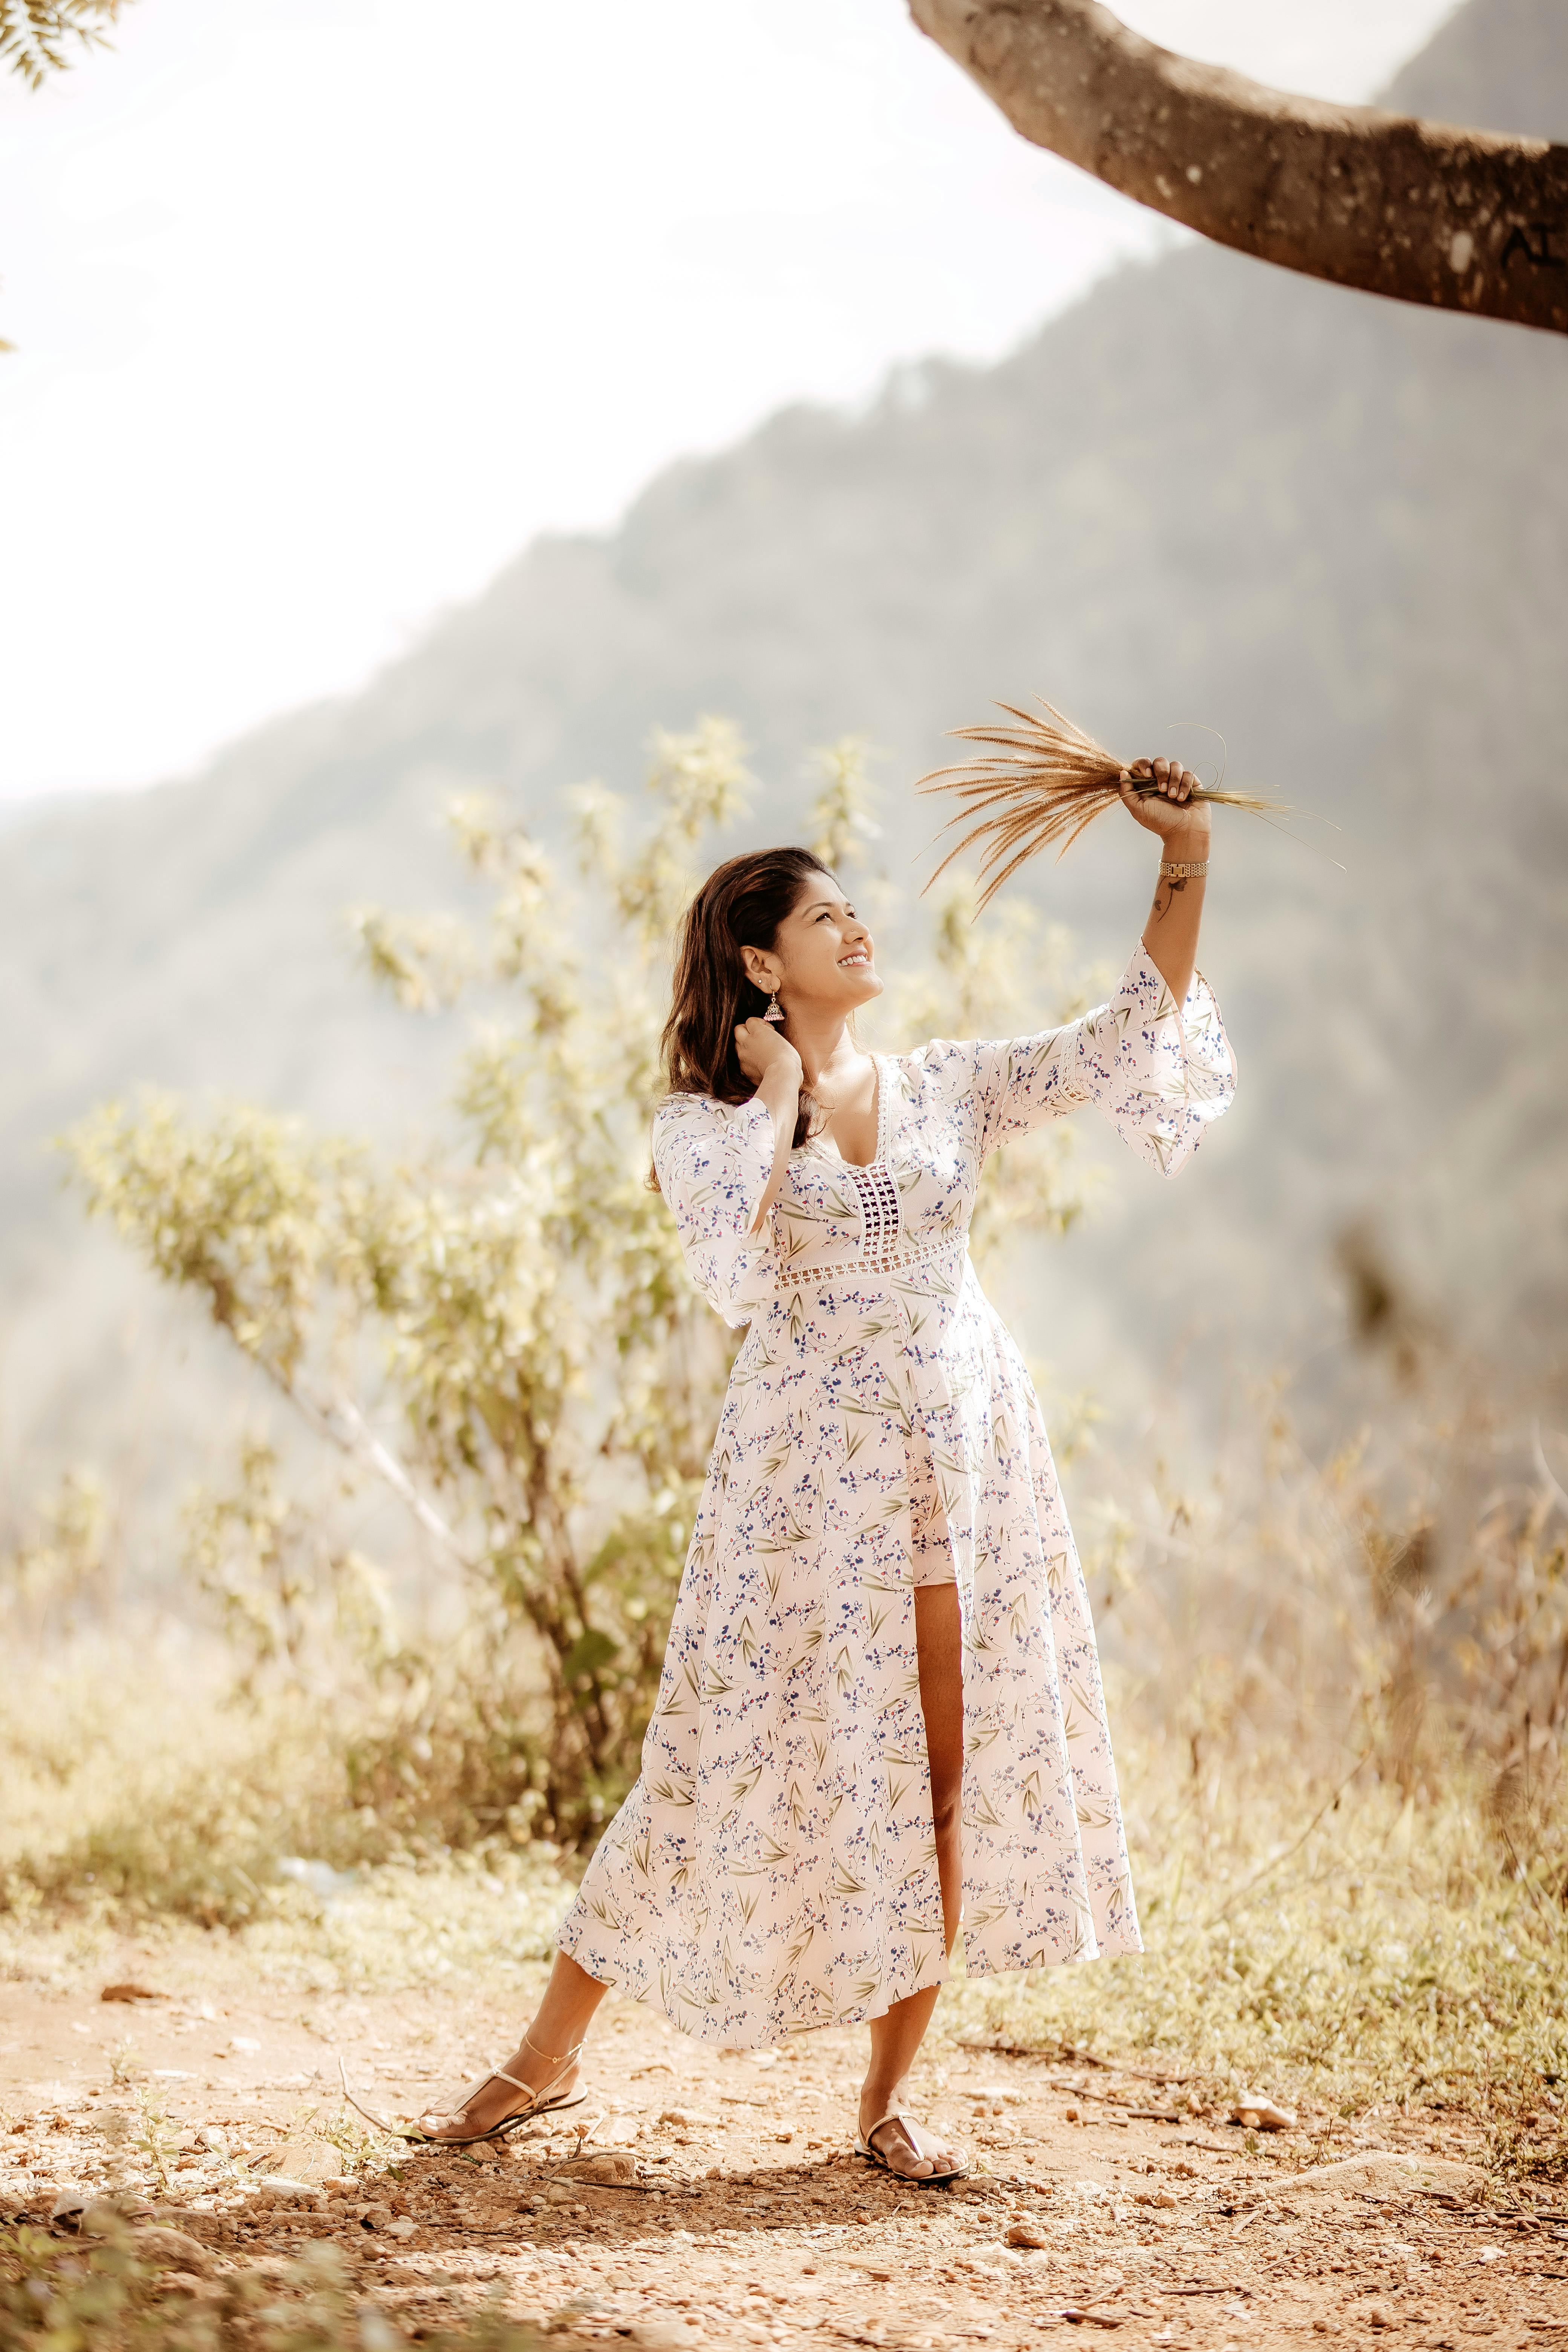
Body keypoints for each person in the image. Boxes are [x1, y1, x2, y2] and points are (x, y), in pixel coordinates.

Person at [424, 756, 1234, 2182]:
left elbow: (1127, 1034)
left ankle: (884, 2103)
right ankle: (546, 2055)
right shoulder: (705, 1127)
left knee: (940, 1770)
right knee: (704, 1753)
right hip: (801, 1480)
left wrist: (1186, 859)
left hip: (960, 1447)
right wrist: (784, 1089)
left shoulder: (955, 1086)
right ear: (760, 961)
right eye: (827, 920)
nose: (861, 931)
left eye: (860, 912)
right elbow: (731, 1267)